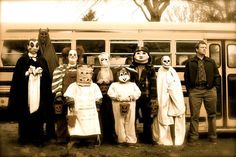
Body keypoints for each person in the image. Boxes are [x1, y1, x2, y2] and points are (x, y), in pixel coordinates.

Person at [7, 39, 53, 146]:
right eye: (32, 45)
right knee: (25, 115)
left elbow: (47, 78)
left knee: (38, 116)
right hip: (25, 94)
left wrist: (40, 74)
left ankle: (38, 138)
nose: (34, 47)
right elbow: (17, 78)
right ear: (27, 46)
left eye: (37, 45)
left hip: (39, 94)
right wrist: (27, 73)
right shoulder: (22, 60)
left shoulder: (42, 60)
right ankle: (24, 137)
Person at [184, 40, 221, 144]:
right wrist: (190, 90)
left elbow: (216, 76)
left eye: (205, 47)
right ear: (196, 49)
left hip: (209, 90)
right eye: (202, 47)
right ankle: (193, 138)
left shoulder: (211, 61)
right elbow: (186, 77)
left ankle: (213, 137)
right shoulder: (190, 62)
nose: (205, 49)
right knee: (194, 116)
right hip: (195, 91)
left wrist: (215, 88)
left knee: (212, 115)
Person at [64, 64, 103, 147]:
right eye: (82, 73)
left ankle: (90, 140)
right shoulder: (73, 86)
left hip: (90, 112)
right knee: (75, 127)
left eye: (87, 73)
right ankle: (76, 140)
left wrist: (98, 106)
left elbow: (98, 97)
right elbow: (68, 96)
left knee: (90, 125)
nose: (84, 75)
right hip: (77, 111)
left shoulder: (94, 86)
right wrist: (71, 105)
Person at [51, 48, 83, 144]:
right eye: (70, 55)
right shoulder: (60, 69)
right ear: (67, 57)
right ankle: (61, 138)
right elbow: (56, 82)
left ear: (78, 57)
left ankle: (75, 138)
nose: (72, 56)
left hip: (77, 98)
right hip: (63, 97)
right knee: (61, 119)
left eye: (75, 55)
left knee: (77, 118)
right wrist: (58, 95)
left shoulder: (82, 69)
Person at [152, 56, 186, 146]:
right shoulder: (160, 71)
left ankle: (176, 139)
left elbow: (177, 85)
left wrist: (174, 94)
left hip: (174, 97)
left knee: (176, 118)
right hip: (164, 98)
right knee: (163, 118)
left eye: (168, 61)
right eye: (164, 61)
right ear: (161, 61)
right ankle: (164, 139)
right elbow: (161, 86)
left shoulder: (172, 71)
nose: (166, 62)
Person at [130, 46, 157, 144]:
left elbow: (153, 83)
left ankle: (148, 137)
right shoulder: (131, 68)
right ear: (134, 56)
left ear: (148, 56)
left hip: (146, 96)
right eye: (138, 53)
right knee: (133, 117)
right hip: (134, 97)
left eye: (143, 53)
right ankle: (133, 136)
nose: (141, 55)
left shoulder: (151, 68)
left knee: (147, 118)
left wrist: (153, 97)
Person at [107, 67, 141, 146]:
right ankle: (121, 139)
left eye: (125, 74)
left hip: (131, 104)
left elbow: (138, 92)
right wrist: (115, 96)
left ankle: (131, 140)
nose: (124, 76)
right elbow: (110, 93)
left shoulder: (133, 84)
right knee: (119, 122)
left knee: (130, 121)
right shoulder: (114, 85)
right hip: (117, 104)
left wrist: (133, 96)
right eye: (121, 74)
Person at [93, 52, 116, 144]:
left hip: (110, 97)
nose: (104, 61)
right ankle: (101, 136)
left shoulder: (113, 72)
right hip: (100, 96)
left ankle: (110, 136)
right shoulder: (96, 71)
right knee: (101, 116)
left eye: (106, 59)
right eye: (102, 60)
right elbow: (93, 83)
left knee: (111, 115)